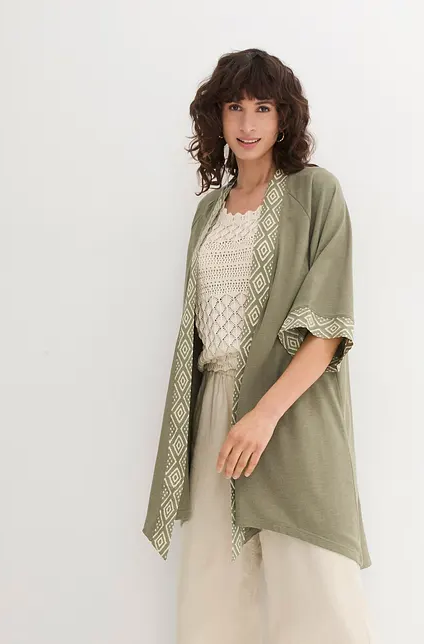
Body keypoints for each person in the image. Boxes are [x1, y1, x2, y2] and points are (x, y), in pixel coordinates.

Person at [142, 48, 377, 643]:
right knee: (216, 603)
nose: (248, 123)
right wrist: (222, 419)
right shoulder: (208, 212)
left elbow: (328, 326)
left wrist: (264, 415)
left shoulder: (316, 193)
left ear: (284, 117)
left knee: (320, 597)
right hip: (215, 413)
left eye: (264, 108)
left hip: (291, 410)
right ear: (216, 118)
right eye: (235, 107)